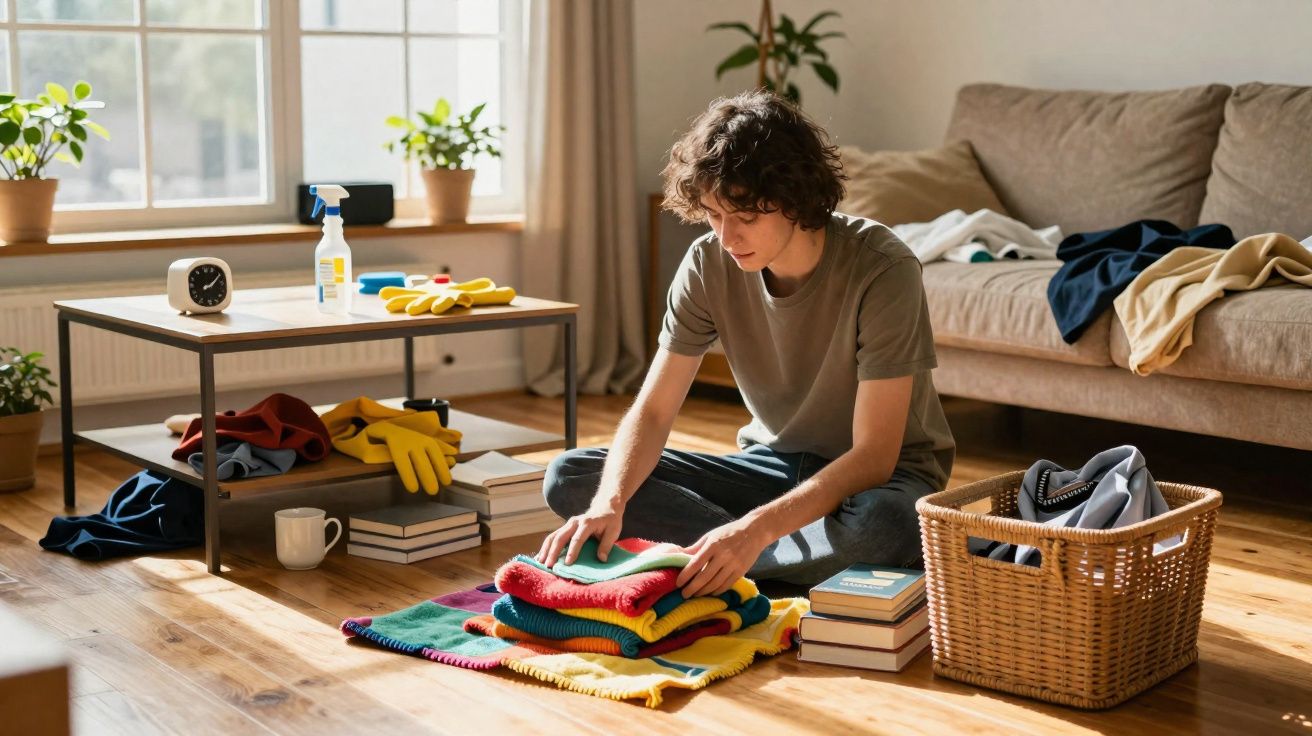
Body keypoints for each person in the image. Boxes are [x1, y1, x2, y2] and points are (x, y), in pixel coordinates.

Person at [535, 90, 955, 596]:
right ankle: (759, 560)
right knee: (573, 476)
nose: (727, 237)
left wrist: (753, 530)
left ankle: (717, 559)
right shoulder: (706, 263)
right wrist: (610, 502)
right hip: (773, 466)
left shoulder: (883, 268)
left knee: (884, 525)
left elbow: (873, 457)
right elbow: (653, 412)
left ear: (796, 198)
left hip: (878, 482)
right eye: (713, 215)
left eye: (746, 217)